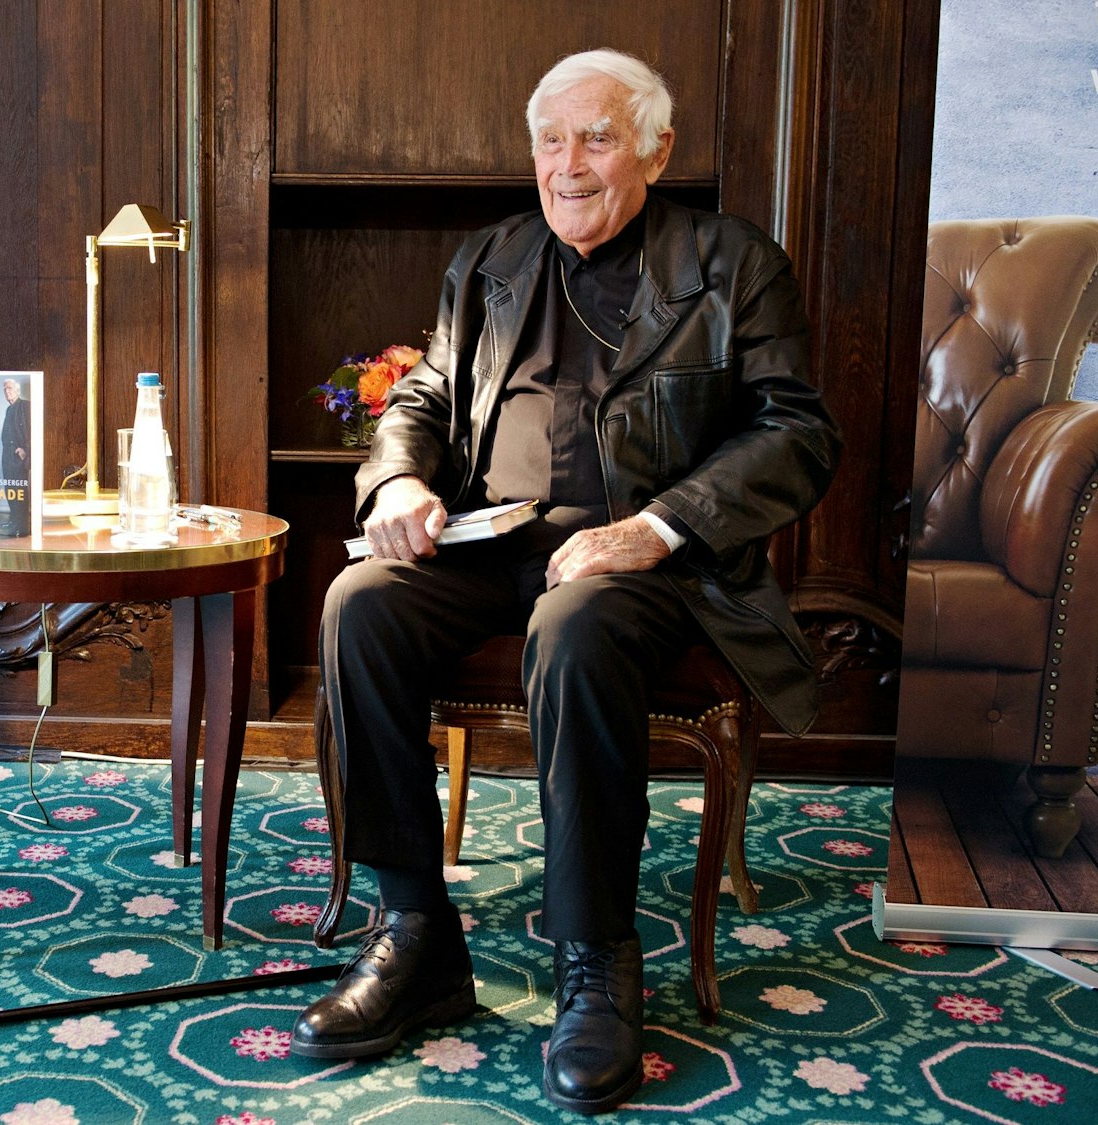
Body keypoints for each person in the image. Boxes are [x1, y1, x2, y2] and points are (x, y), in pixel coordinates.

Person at [289, 49, 841, 1114]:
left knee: (576, 623)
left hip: (647, 564)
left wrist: (659, 524)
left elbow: (797, 433)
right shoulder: (489, 260)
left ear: (653, 149)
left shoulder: (731, 265)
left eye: (595, 137)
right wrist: (398, 475)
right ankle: (414, 936)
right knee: (356, 607)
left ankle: (595, 961)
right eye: (551, 140)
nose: (568, 164)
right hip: (493, 546)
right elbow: (424, 395)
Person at [0, 377, 33, 534]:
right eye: (5, 389)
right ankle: (14, 521)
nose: (7, 392)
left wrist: (25, 449)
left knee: (19, 490)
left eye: (10, 388)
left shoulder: (25, 406)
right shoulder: (9, 409)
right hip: (8, 456)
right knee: (10, 489)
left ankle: (21, 526)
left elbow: (32, 430)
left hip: (18, 457)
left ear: (18, 391)